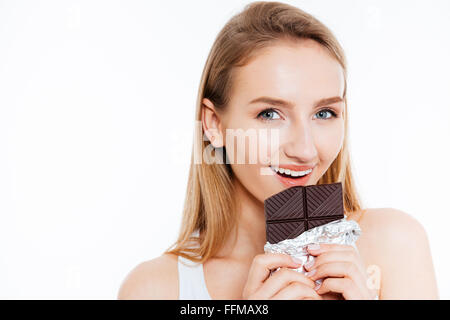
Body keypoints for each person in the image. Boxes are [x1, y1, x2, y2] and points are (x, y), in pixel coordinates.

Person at [117, 1, 439, 300]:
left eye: (324, 113)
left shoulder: (395, 246)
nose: (304, 149)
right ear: (214, 124)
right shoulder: (154, 289)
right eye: (270, 114)